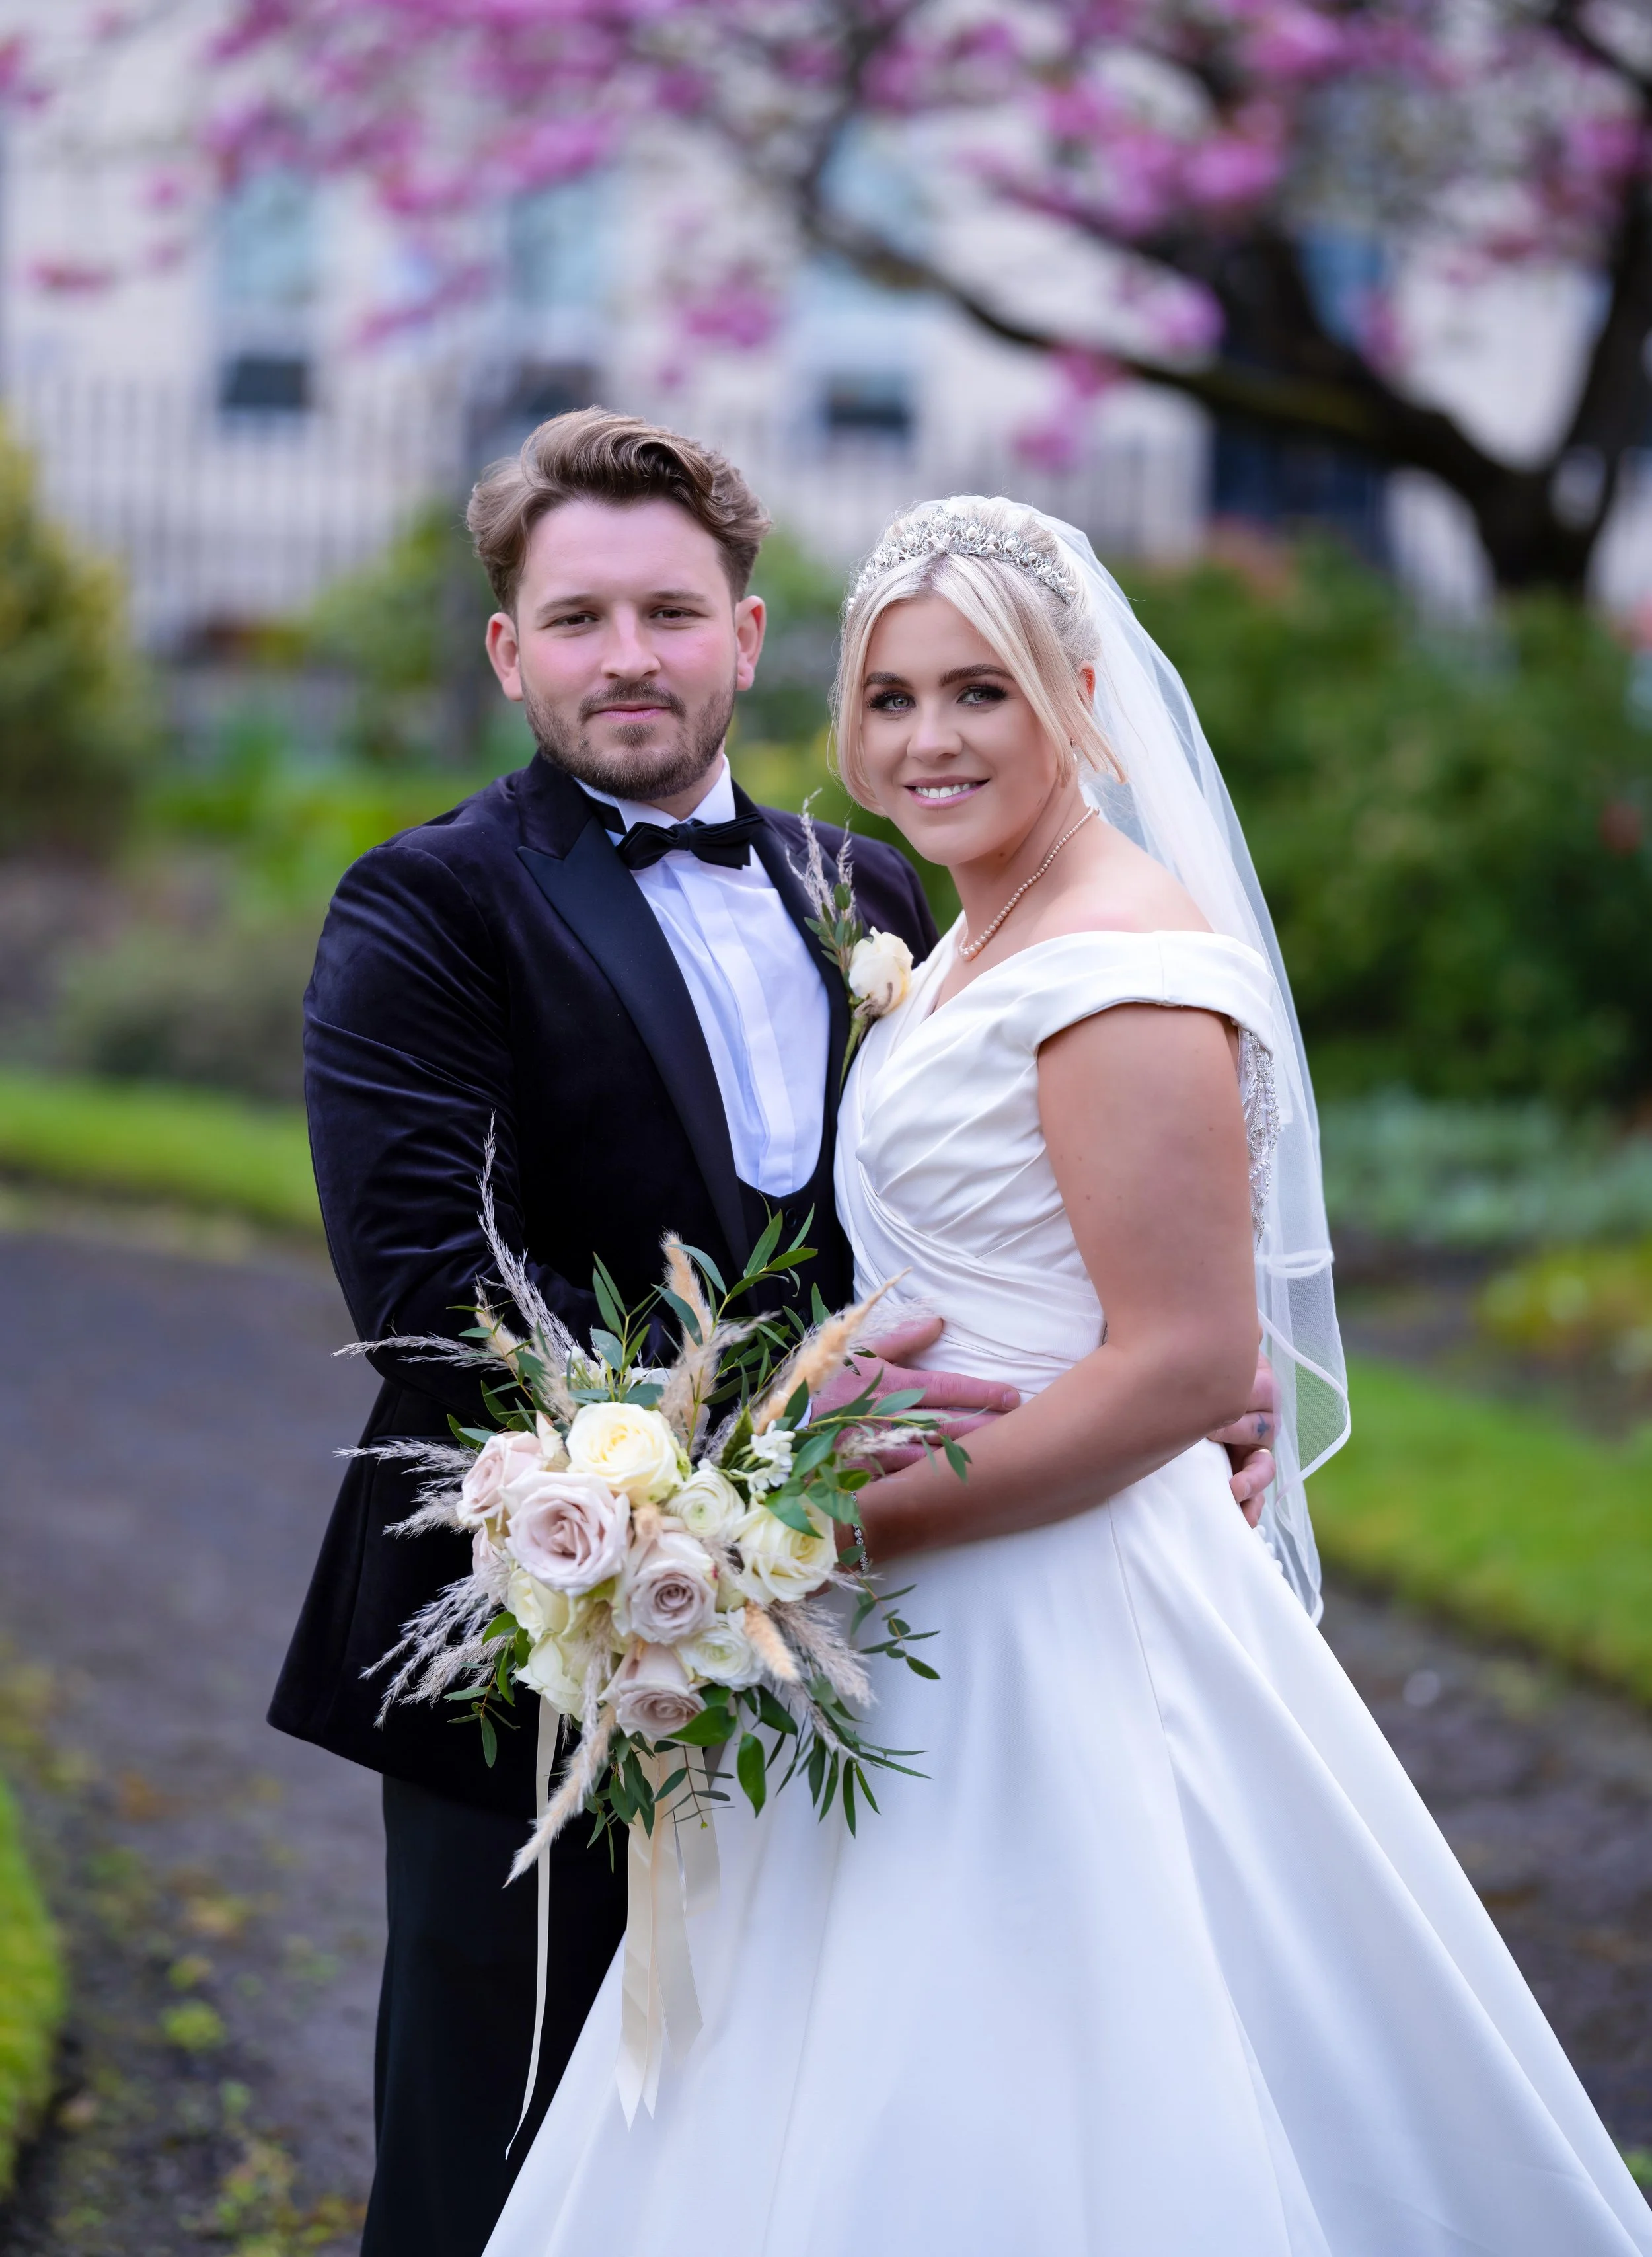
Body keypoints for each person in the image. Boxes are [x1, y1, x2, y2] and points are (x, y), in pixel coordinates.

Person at [482, 498, 1652, 2256]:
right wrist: (784, 1459)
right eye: (889, 697)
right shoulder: (956, 937)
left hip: (1052, 1597)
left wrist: (846, 1523)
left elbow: (1181, 1359)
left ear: (1080, 699)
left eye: (982, 693)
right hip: (909, 1591)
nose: (929, 739)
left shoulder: (1118, 966)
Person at [268, 414, 1281, 2256]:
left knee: (797, 2113)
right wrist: (737, 1494)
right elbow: (439, 1296)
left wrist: (1166, 1339)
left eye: (670, 609)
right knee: (503, 2122)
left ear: (746, 637)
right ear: (510, 651)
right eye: (577, 617)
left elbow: (993, 1205)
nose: (627, 655)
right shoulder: (426, 907)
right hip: (557, 1614)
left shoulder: (878, 889)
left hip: (871, 1628)